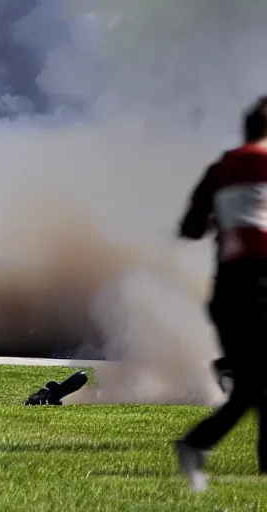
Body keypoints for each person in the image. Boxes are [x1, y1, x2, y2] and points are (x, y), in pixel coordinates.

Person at [174, 97, 267, 491]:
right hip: (259, 286)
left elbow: (191, 228)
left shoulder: (220, 168)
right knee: (255, 386)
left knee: (257, 385)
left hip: (228, 293)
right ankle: (196, 442)